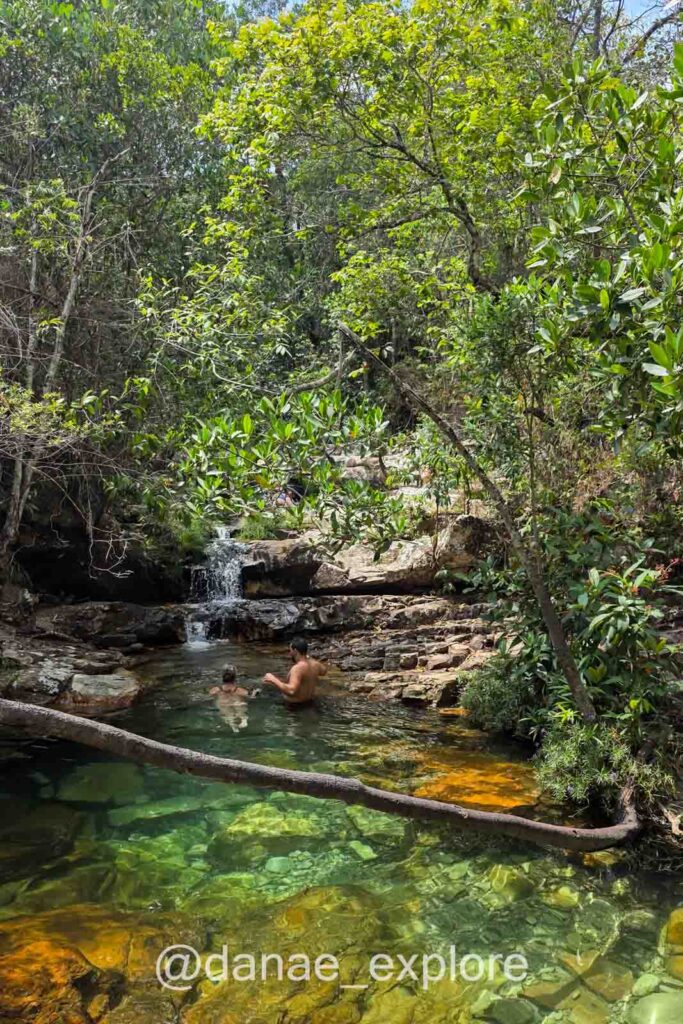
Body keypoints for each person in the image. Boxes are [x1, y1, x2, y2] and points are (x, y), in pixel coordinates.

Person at [263, 637, 327, 704]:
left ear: (295, 651)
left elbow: (292, 691)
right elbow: (324, 671)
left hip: (293, 707)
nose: (289, 653)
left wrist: (273, 679)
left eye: (290, 650)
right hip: (309, 702)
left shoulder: (297, 668)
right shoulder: (315, 664)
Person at [209, 664, 257, 733]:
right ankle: (243, 718)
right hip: (237, 703)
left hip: (224, 704)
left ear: (222, 676)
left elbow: (209, 696)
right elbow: (251, 697)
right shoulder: (241, 691)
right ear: (235, 677)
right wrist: (254, 694)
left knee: (223, 706)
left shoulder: (215, 690)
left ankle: (231, 721)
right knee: (240, 705)